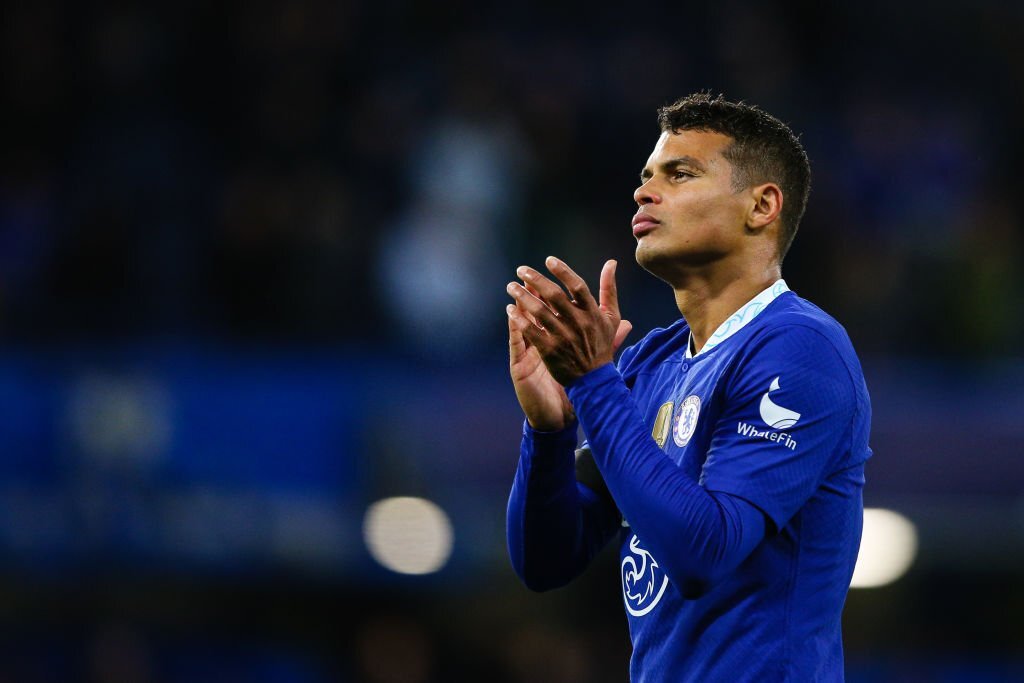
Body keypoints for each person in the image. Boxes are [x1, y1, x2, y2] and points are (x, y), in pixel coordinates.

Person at [504, 93, 872, 682]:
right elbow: (545, 560)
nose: (644, 192)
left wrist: (595, 383)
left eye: (679, 174)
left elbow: (704, 552)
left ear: (762, 206)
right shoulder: (652, 362)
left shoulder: (801, 348)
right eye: (646, 176)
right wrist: (549, 431)